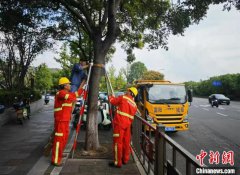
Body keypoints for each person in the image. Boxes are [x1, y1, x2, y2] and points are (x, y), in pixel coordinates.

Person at [51, 77, 85, 166]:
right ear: (64, 86)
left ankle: (60, 154)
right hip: (61, 120)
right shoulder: (61, 93)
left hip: (65, 120)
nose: (70, 85)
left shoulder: (67, 93)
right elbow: (72, 97)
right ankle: (55, 160)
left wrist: (83, 87)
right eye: (68, 84)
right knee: (59, 140)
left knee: (64, 138)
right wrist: (81, 89)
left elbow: (74, 96)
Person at [108, 87, 138, 168]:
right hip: (127, 126)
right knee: (126, 143)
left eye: (128, 90)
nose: (126, 91)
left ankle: (117, 163)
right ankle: (125, 160)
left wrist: (110, 96)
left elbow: (113, 101)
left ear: (130, 92)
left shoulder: (123, 98)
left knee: (118, 143)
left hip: (119, 124)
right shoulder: (134, 105)